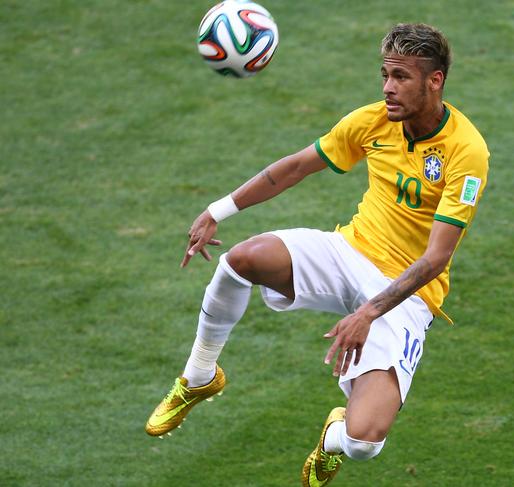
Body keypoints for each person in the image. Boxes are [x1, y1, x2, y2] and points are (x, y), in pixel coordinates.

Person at [145, 23, 489, 486]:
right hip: (348, 251)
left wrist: (368, 312)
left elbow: (435, 260)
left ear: (435, 81)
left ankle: (333, 438)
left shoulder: (466, 152)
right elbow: (294, 168)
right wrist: (218, 210)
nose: (388, 88)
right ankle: (199, 375)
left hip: (406, 295)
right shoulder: (373, 121)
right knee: (241, 261)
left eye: (401, 77)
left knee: (365, 441)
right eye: (385, 74)